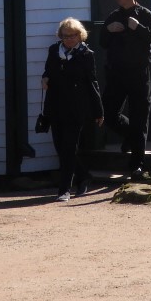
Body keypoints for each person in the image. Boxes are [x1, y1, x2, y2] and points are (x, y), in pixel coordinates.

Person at [100, 0, 151, 179]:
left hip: (139, 74)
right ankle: (130, 135)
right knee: (107, 113)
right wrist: (107, 30)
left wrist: (138, 28)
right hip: (117, 74)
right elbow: (102, 42)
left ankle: (137, 165)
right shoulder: (113, 16)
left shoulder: (144, 14)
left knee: (140, 118)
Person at [41, 17, 103, 201]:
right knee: (61, 147)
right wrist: (45, 78)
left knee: (68, 147)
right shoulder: (54, 50)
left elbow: (92, 82)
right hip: (55, 104)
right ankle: (83, 176)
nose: (68, 39)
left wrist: (99, 111)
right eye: (65, 36)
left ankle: (64, 190)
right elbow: (48, 71)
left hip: (76, 107)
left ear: (80, 36)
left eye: (73, 36)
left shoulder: (86, 54)